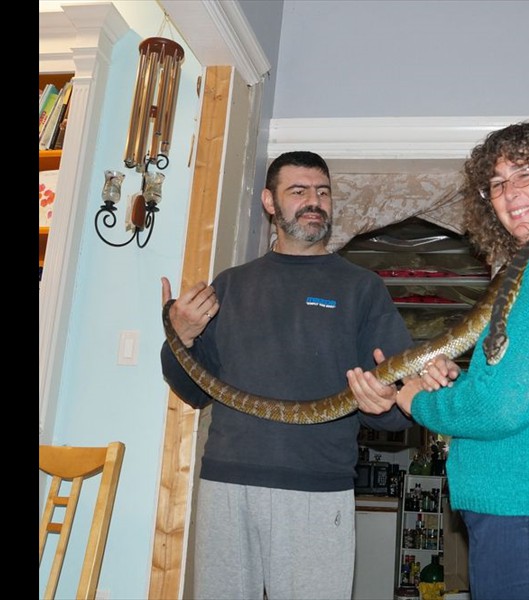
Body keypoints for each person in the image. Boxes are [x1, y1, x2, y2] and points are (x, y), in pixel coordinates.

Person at [349, 121, 529, 600]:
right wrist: (455, 384)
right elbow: (521, 386)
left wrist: (418, 403)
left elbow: (505, 405)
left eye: (525, 173)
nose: (509, 192)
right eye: (496, 183)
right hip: (527, 515)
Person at [160, 150, 432, 600]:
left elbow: (399, 402)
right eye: (299, 191)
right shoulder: (230, 284)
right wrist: (181, 336)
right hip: (227, 483)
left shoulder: (362, 288)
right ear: (270, 202)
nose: (314, 202)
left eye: (323, 192)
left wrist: (385, 405)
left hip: (317, 489)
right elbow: (193, 389)